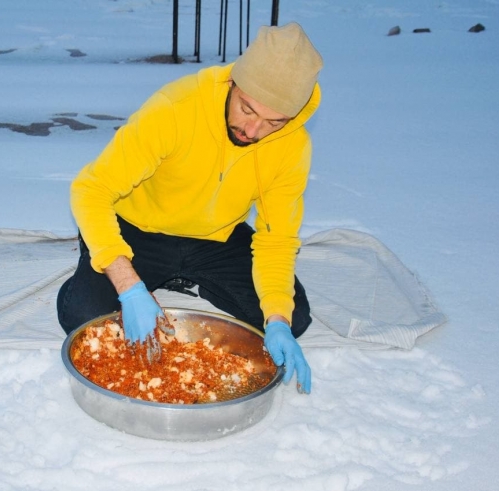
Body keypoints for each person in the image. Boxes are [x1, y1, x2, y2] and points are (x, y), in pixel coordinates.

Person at [57, 22, 322, 394]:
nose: (254, 130)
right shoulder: (176, 108)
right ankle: (134, 277)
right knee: (86, 316)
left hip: (215, 237)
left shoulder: (293, 146)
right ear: (233, 82)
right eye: (247, 109)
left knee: (294, 318)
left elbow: (276, 239)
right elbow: (90, 189)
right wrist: (129, 286)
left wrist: (277, 318)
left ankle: (182, 278)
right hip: (139, 229)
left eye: (274, 122)